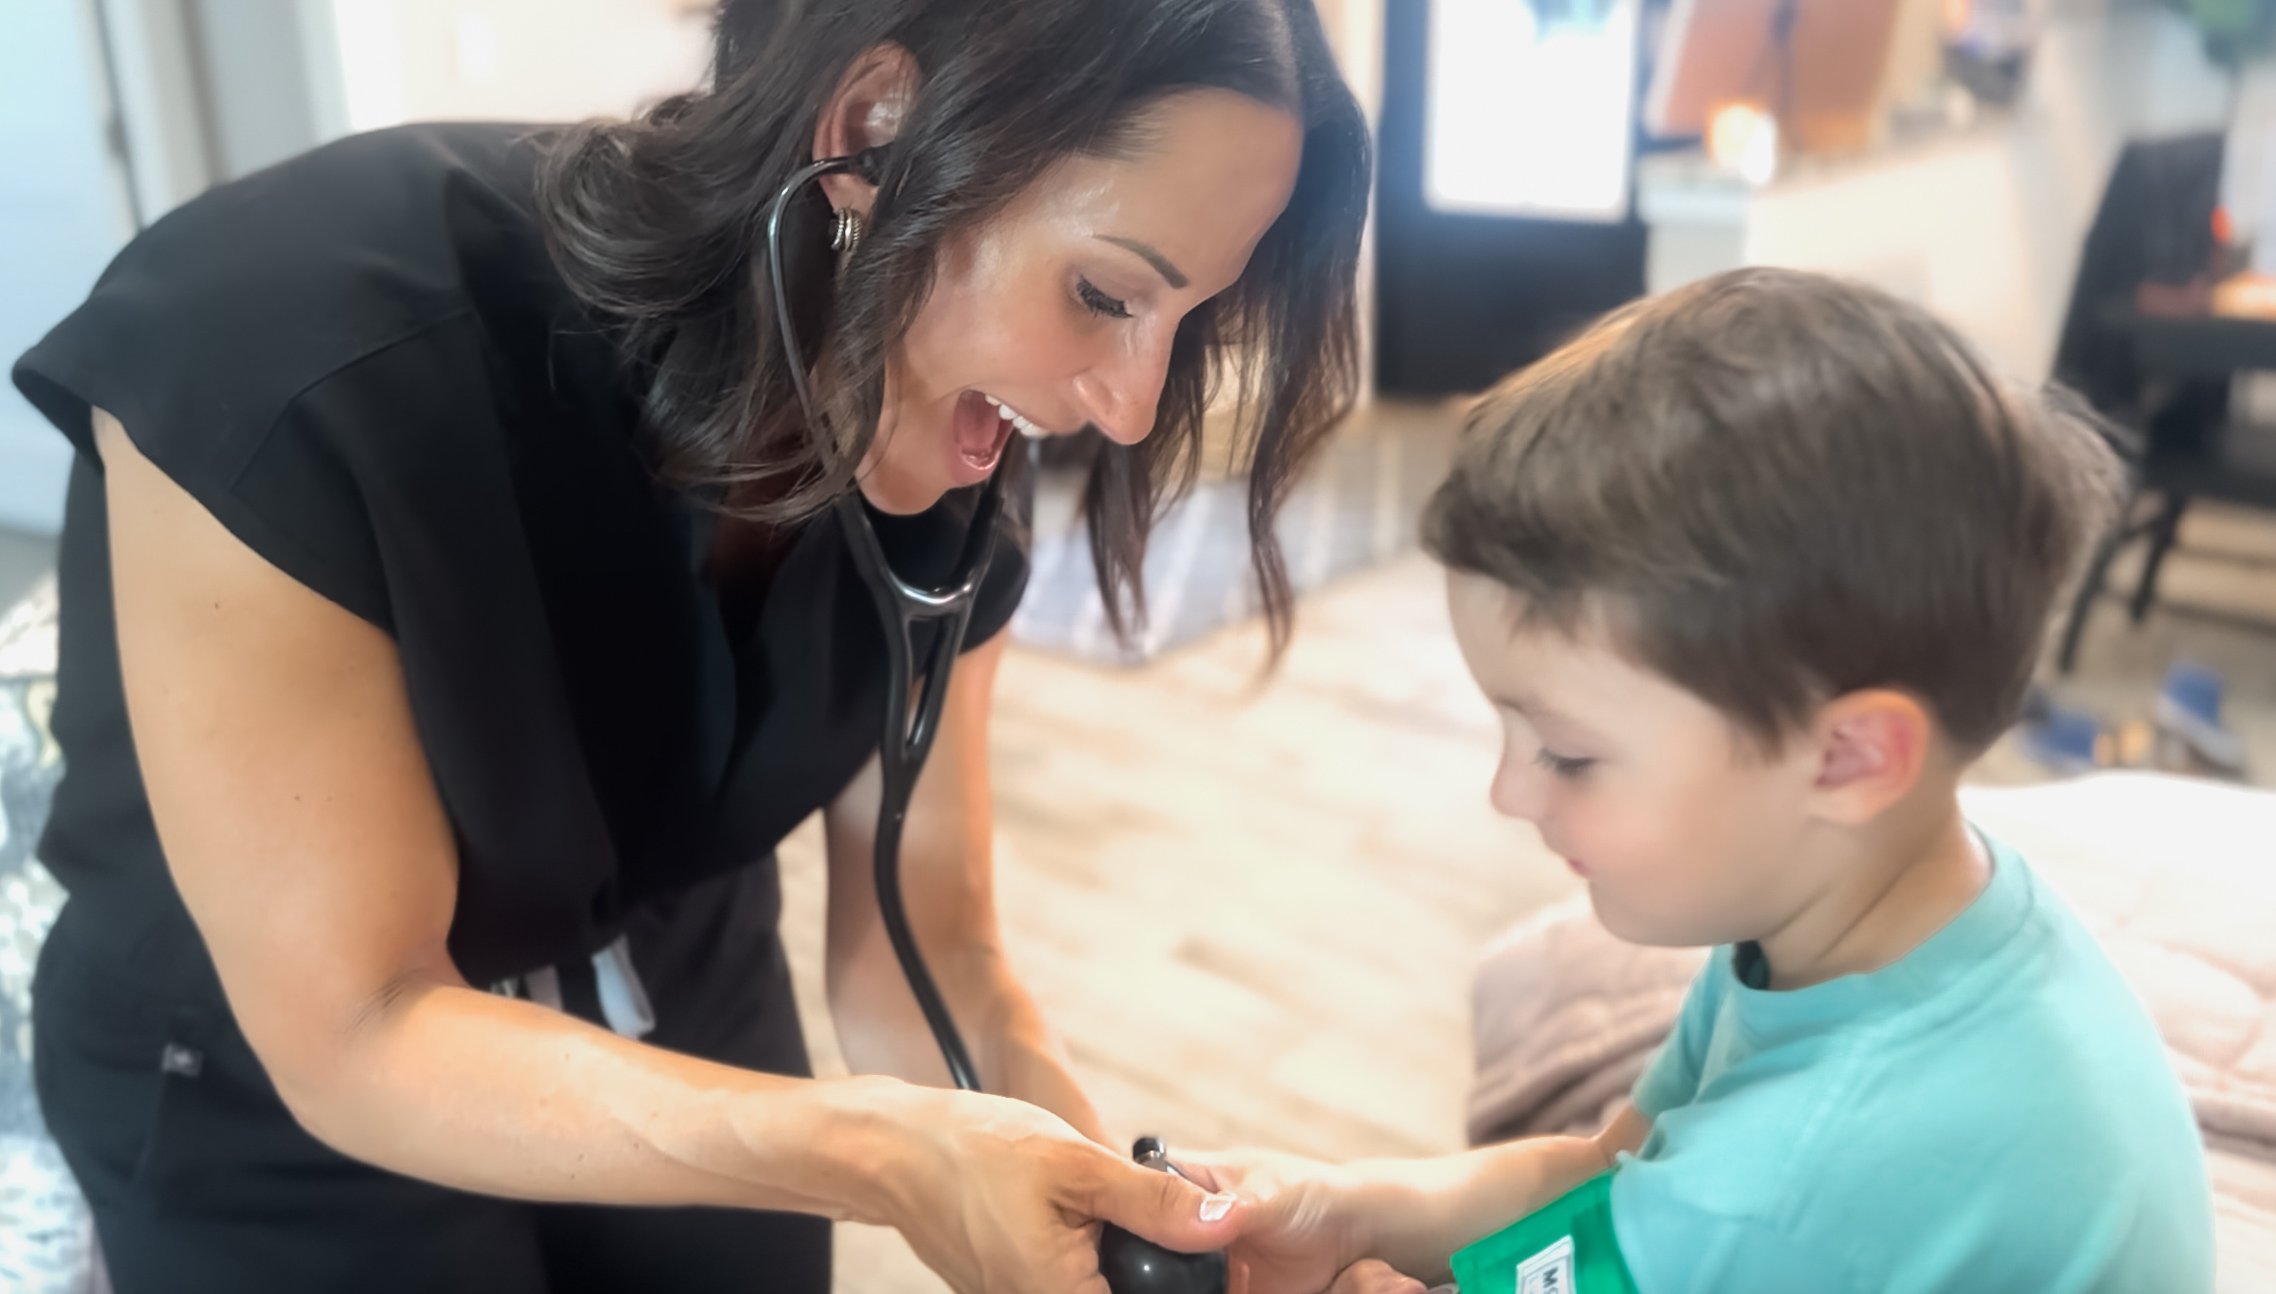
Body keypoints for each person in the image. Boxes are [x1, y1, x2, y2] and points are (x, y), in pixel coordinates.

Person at [8, 2, 1369, 1291]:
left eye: (1192, 324)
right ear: (878, 131)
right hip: (272, 1087)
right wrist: (881, 1155)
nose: (1128, 412)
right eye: (1104, 293)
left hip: (669, 980)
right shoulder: (289, 348)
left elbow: (930, 943)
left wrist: (1107, 1210)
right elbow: (357, 1027)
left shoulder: (952, 423)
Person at [1178, 269, 2217, 1294]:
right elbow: (1612, 1168)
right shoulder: (1866, 918)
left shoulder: (1787, 1177)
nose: (1508, 791)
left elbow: (1679, 1213)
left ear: (1848, 757)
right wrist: (1348, 1207)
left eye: (1569, 752)